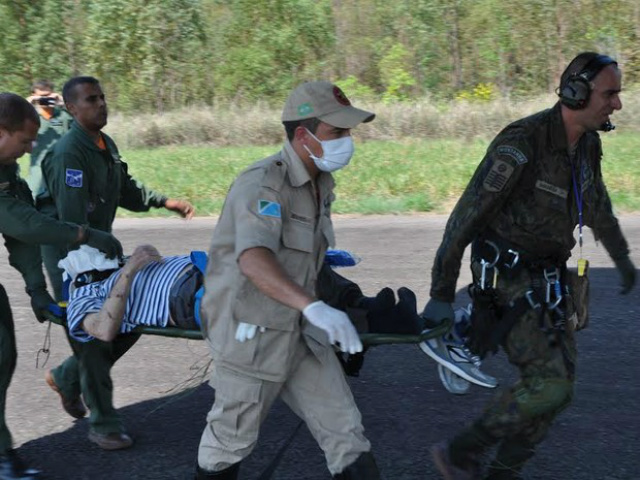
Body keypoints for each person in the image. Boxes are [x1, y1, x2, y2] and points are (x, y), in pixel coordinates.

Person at [423, 52, 636, 480]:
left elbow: (596, 204)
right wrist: (442, 295)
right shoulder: (522, 142)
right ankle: (462, 449)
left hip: (549, 282)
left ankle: (503, 472)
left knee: (560, 391)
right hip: (505, 279)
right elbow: (464, 219)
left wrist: (622, 258)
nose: (617, 104)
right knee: (550, 385)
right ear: (575, 93)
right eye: (609, 94)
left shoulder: (587, 145)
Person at [196, 81, 381, 480]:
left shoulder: (319, 184)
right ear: (303, 135)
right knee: (227, 448)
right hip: (252, 338)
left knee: (347, 437)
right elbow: (254, 258)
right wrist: (314, 307)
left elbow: (308, 265)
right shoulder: (263, 184)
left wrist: (346, 305)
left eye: (348, 132)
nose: (347, 141)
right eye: (337, 132)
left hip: (300, 335)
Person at [39, 76, 196, 450]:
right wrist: (107, 256)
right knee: (94, 335)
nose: (101, 104)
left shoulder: (104, 144)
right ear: (72, 109)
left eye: (103, 97)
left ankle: (68, 376)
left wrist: (164, 201)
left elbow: (125, 188)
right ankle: (103, 423)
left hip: (97, 247)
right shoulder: (68, 154)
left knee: (130, 316)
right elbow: (72, 224)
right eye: (91, 100)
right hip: (71, 255)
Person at [0, 93, 122, 480]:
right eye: (25, 139)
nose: (31, 147)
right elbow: (25, 223)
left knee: (3, 356)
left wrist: (37, 289)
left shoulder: (7, 172)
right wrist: (85, 234)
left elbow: (18, 238)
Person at [25, 80, 74, 301]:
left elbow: (82, 132)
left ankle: (83, 301)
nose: (46, 101)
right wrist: (28, 105)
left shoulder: (64, 118)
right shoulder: (28, 120)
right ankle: (64, 305)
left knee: (74, 251)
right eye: (40, 97)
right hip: (39, 190)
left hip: (65, 190)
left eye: (48, 96)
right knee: (52, 261)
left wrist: (65, 105)